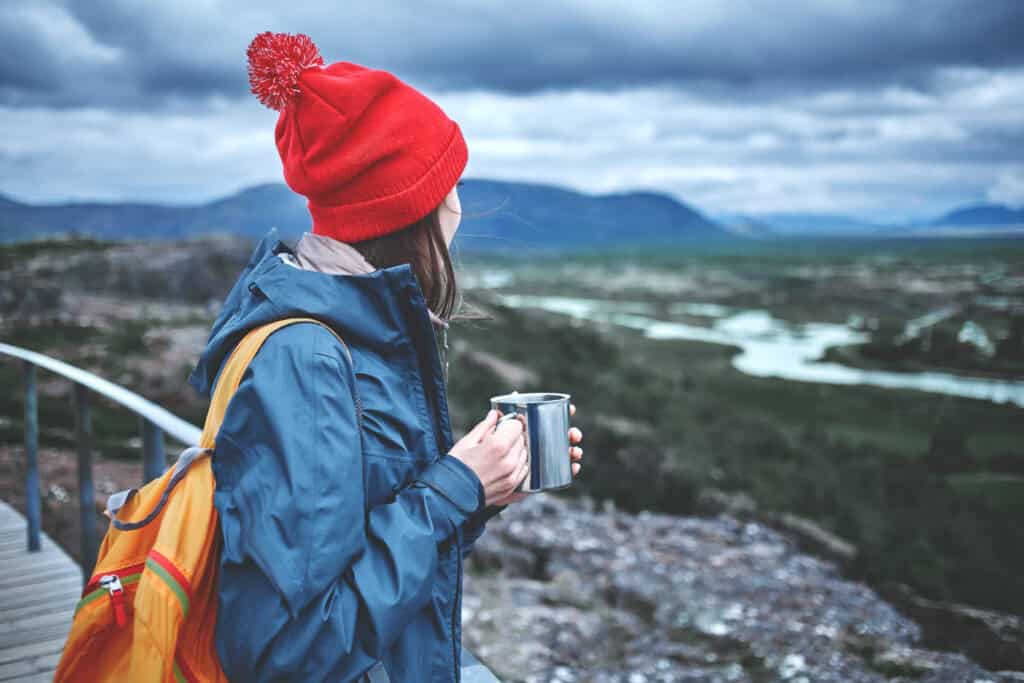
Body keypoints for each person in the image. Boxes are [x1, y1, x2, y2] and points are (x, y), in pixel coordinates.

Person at [186, 32, 584, 682]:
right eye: (446, 182)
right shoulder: (308, 360)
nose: (458, 201)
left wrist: (481, 489)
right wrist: (454, 486)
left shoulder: (356, 331)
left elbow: (361, 541)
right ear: (409, 208)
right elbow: (290, 651)